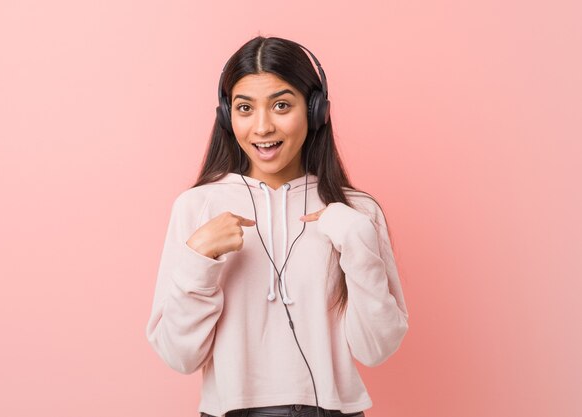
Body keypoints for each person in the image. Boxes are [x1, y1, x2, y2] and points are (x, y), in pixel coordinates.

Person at [145, 35, 409, 417]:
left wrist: (358, 242)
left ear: (316, 111)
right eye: (245, 108)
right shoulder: (197, 206)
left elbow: (377, 348)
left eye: (281, 105)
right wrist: (199, 259)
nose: (263, 127)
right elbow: (179, 356)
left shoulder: (356, 213)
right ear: (226, 115)